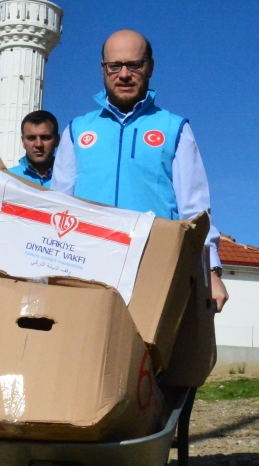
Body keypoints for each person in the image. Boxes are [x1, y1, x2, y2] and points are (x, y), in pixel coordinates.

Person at [50, 29, 227, 311]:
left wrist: (211, 271)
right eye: (114, 66)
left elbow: (195, 211)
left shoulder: (175, 129)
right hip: (84, 271)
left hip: (153, 271)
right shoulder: (77, 131)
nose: (124, 74)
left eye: (134, 65)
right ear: (103, 69)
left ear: (150, 68)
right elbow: (57, 206)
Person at [7, 110, 59, 187]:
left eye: (45, 138)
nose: (38, 144)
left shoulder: (72, 180)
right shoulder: (7, 179)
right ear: (23, 142)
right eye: (31, 138)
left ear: (57, 140)